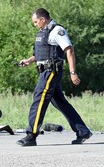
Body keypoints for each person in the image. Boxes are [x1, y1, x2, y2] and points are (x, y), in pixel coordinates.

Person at [17, 8, 92, 146]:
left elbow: (69, 50)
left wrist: (73, 72)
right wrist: (29, 60)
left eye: (35, 22)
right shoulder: (43, 33)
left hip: (51, 71)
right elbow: (42, 54)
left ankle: (31, 135)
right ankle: (82, 131)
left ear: (42, 19)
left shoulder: (57, 31)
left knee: (39, 98)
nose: (35, 25)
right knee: (59, 102)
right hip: (45, 70)